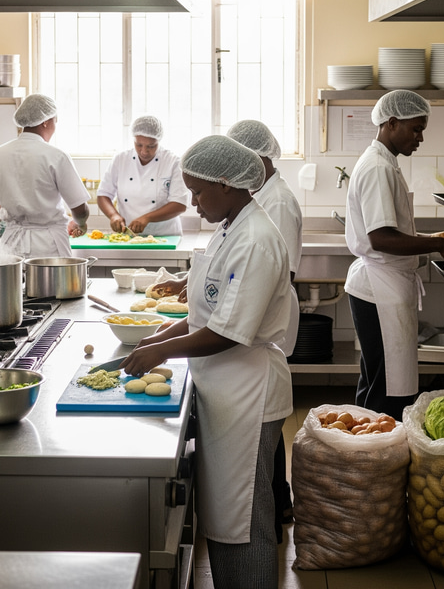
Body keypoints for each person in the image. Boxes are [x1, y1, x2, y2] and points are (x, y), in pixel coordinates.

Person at [121, 135, 292, 589]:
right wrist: (163, 333)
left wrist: (160, 351)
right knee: (224, 516)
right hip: (223, 389)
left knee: (245, 521)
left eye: (197, 192)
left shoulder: (255, 239)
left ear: (228, 184)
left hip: (247, 392)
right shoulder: (229, 227)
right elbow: (206, 313)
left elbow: (227, 332)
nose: (192, 202)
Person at [344, 90, 444, 421]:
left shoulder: (384, 163)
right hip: (380, 289)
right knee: (385, 390)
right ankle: (375, 459)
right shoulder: (378, 168)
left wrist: (440, 237)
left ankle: (368, 452)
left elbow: (392, 230)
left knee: (379, 381)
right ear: (391, 123)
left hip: (384, 287)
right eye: (415, 129)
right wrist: (439, 245)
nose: (420, 138)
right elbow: (381, 238)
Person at [227, 118, 302, 542]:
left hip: (268, 312)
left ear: (259, 157)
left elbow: (275, 271)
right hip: (262, 309)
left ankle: (279, 501)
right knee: (266, 416)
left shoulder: (278, 203)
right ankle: (280, 498)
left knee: (268, 414)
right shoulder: (260, 195)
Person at [0, 93, 90, 258]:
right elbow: (79, 208)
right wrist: (80, 223)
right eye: (55, 121)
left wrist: (13, 217)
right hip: (48, 246)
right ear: (46, 122)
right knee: (49, 284)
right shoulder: (55, 155)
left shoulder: (0, 153)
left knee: (13, 284)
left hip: (11, 244)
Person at [96, 115, 187, 235]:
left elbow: (179, 204)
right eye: (139, 145)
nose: (144, 151)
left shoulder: (172, 162)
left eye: (151, 146)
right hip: (129, 235)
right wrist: (113, 215)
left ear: (158, 141)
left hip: (164, 235)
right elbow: (103, 194)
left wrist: (147, 218)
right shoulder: (121, 159)